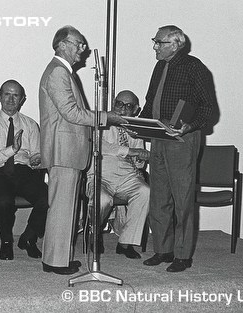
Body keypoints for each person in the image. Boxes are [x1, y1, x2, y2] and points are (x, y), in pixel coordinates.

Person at [39, 25, 127, 275]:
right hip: (64, 151)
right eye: (78, 44)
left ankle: (59, 258)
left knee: (66, 208)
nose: (83, 49)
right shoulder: (57, 72)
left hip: (69, 151)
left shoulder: (63, 72)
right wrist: (106, 117)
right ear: (62, 45)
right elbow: (70, 112)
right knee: (61, 207)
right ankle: (55, 262)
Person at [139, 25, 214, 272]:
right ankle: (164, 250)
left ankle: (183, 255)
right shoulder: (160, 66)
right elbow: (151, 103)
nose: (155, 46)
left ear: (175, 44)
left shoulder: (194, 67)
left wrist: (188, 126)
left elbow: (208, 109)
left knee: (182, 199)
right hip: (159, 138)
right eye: (155, 41)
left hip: (182, 139)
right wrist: (137, 123)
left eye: (159, 42)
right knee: (159, 197)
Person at [0, 80, 48, 260]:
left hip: (24, 172)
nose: (10, 99)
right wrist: (13, 149)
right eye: (7, 94)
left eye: (15, 95)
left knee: (49, 196)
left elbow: (37, 155)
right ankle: (6, 241)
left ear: (22, 99)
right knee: (2, 201)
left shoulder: (31, 125)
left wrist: (37, 160)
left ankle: (28, 238)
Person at [86, 90, 149, 259]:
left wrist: (140, 159)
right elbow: (101, 146)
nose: (122, 109)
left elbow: (139, 160)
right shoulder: (101, 121)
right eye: (119, 104)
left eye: (128, 106)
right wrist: (131, 151)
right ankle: (94, 231)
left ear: (136, 110)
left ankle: (125, 243)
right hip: (101, 175)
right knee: (103, 199)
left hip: (126, 177)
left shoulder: (136, 128)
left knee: (145, 191)